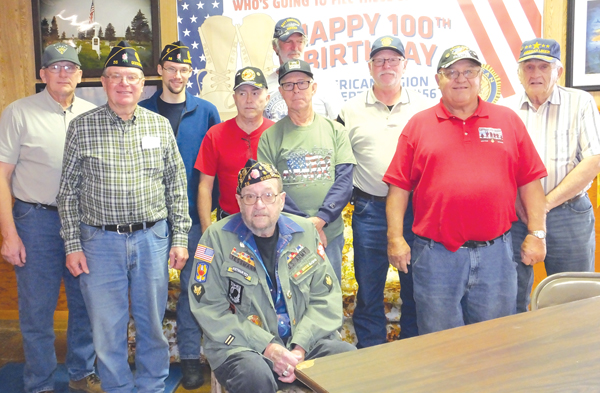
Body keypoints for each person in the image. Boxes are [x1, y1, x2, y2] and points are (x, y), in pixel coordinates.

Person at [383, 45, 548, 335]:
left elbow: (530, 182)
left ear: (480, 76)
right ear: (438, 79)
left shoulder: (507, 120)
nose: (461, 79)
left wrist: (537, 234)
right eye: (452, 73)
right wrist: (395, 238)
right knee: (440, 344)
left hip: (497, 255)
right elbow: (398, 188)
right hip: (436, 257)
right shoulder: (418, 125)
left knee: (496, 342)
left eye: (469, 71)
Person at [57, 41, 192, 392]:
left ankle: (151, 386)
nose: (124, 84)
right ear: (103, 83)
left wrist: (179, 238)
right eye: (115, 76)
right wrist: (72, 245)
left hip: (152, 240)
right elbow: (68, 193)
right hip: (99, 243)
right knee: (107, 327)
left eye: (131, 77)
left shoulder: (160, 126)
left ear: (141, 82)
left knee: (151, 323)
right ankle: (117, 387)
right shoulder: (81, 128)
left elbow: (176, 186)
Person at [189, 161, 355, 393]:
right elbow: (209, 309)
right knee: (255, 376)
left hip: (303, 343)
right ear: (238, 202)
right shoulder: (214, 239)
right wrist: (269, 348)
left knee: (348, 358)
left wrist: (299, 349)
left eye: (268, 195)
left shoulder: (306, 232)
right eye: (249, 197)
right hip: (243, 348)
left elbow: (326, 297)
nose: (259, 205)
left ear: (282, 200)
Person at [0, 43, 102, 393]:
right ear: (42, 74)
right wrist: (9, 234)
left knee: (85, 304)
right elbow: (2, 175)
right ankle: (39, 382)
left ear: (80, 75)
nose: (63, 73)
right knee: (36, 312)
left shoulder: (93, 114)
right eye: (55, 67)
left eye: (70, 68)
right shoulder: (18, 112)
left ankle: (79, 373)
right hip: (35, 221)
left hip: (84, 224)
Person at [337, 36, 432, 347]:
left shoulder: (426, 108)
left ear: (404, 65)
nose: (386, 66)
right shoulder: (349, 111)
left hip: (415, 210)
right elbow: (338, 162)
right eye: (379, 60)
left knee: (416, 288)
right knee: (369, 289)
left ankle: (413, 352)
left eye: (393, 60)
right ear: (369, 67)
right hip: (369, 210)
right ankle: (372, 358)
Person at [138, 41, 220, 389]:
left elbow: (214, 168)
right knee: (149, 294)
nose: (177, 75)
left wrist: (209, 219)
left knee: (193, 290)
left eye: (184, 70)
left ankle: (189, 358)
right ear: (160, 70)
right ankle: (150, 363)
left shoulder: (206, 112)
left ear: (191, 73)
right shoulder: (141, 111)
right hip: (151, 220)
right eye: (171, 68)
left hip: (195, 220)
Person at [503, 38, 600, 312]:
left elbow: (594, 159)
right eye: (528, 67)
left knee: (575, 300)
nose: (535, 74)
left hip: (568, 215)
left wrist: (542, 206)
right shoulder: (503, 109)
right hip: (516, 217)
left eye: (543, 67)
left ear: (558, 71)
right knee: (511, 299)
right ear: (519, 73)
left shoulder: (580, 102)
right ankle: (517, 353)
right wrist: (528, 210)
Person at [258, 59, 356, 282]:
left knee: (329, 296)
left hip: (329, 233)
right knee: (293, 300)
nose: (296, 90)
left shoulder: (335, 130)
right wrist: (307, 225)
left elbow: (344, 182)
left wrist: (321, 220)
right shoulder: (270, 137)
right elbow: (269, 189)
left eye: (302, 83)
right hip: (288, 234)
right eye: (288, 85)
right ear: (281, 92)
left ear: (314, 88)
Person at [195, 66, 274, 231]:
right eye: (242, 93)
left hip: (271, 225)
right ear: (234, 98)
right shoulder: (215, 135)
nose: (249, 100)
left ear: (267, 98)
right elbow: (205, 186)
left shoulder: (278, 133)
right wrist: (206, 230)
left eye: (255, 93)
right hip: (229, 225)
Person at [263, 17, 340, 121]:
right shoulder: (265, 86)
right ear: (275, 46)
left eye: (300, 41)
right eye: (288, 41)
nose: (295, 47)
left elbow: (338, 124)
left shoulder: (324, 80)